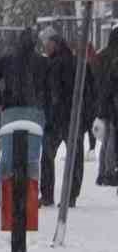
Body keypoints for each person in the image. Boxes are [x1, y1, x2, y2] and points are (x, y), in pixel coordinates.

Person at [0, 26, 49, 207]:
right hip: (35, 112)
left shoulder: (8, 60)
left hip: (11, 111)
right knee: (32, 158)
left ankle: (0, 195)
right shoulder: (41, 62)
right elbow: (51, 85)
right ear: (34, 43)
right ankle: (30, 197)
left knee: (8, 157)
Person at [41, 33, 94, 207]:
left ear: (56, 45)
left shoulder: (51, 65)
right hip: (74, 118)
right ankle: (71, 196)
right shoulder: (80, 65)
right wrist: (86, 118)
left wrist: (48, 114)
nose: (46, 49)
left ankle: (47, 194)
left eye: (48, 45)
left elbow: (48, 93)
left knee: (47, 156)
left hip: (56, 119)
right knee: (75, 158)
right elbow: (90, 94)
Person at [98, 28, 118, 187]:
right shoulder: (114, 57)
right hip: (113, 100)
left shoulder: (102, 55)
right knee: (112, 136)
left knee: (106, 138)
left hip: (103, 99)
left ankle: (102, 171)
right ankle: (109, 172)